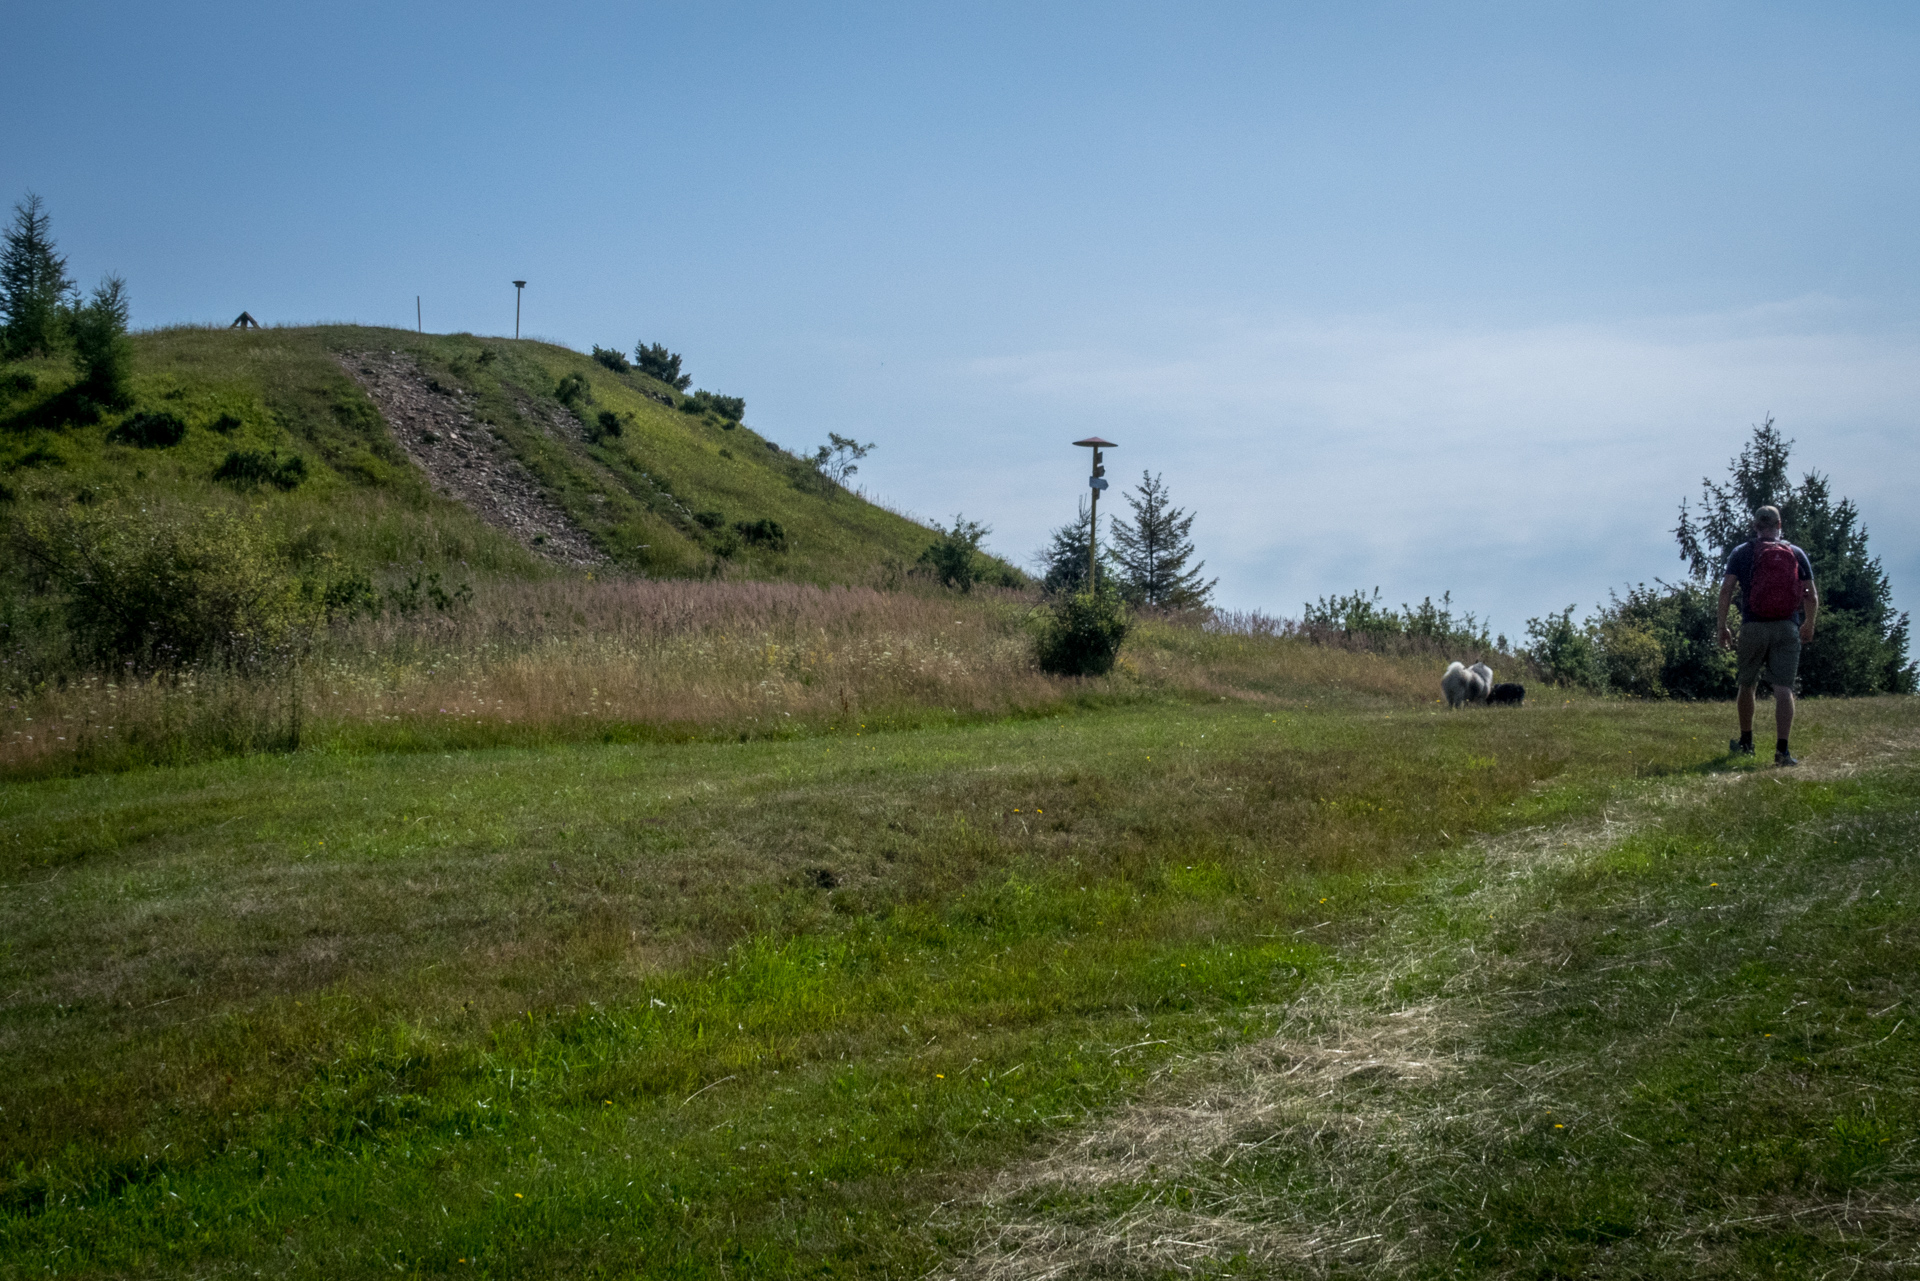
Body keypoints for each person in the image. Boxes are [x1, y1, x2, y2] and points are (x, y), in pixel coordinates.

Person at [1716, 505, 1817, 765]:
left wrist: (1722, 625)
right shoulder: (1795, 553)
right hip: (1786, 626)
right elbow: (1811, 595)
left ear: (1755, 526)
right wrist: (1808, 623)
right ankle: (1782, 752)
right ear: (1779, 525)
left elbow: (1726, 589)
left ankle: (1746, 743)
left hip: (1753, 626)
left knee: (1747, 684)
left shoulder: (1742, 553)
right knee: (1783, 688)